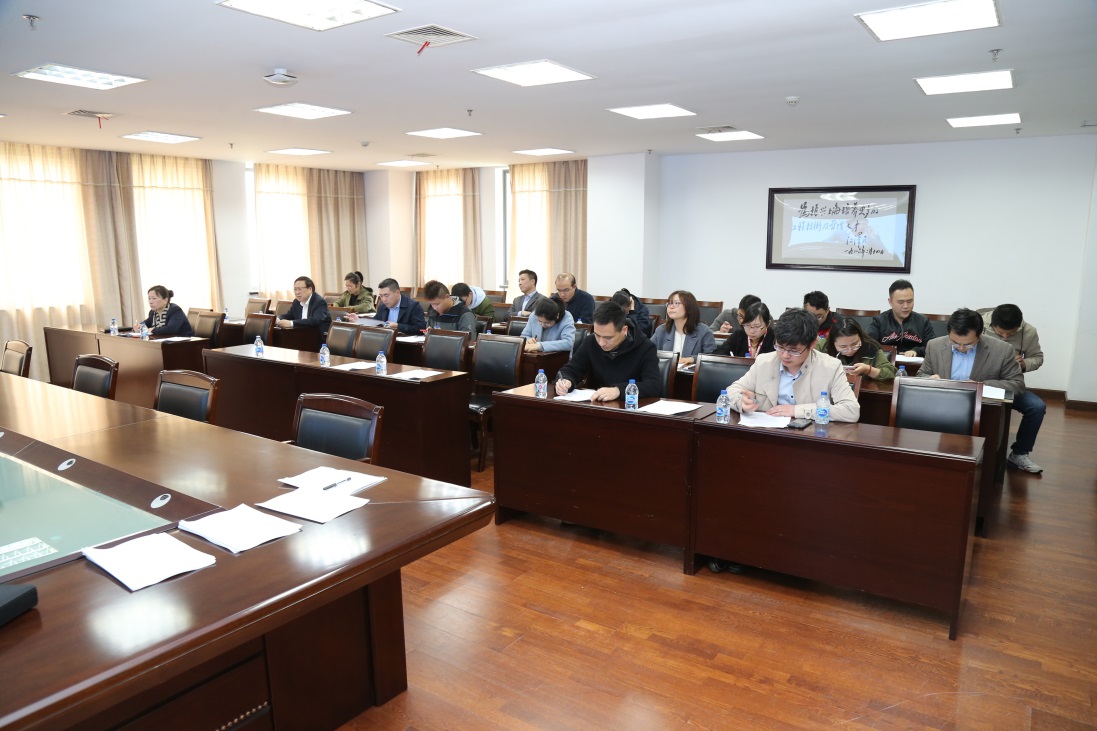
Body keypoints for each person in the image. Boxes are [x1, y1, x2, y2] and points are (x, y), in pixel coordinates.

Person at [918, 307, 1039, 472]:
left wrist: (980, 386)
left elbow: (1017, 384)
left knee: (973, 463)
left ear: (980, 334)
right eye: (955, 343)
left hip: (981, 412)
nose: (961, 348)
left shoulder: (1002, 350)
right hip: (942, 410)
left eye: (968, 344)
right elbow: (922, 374)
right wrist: (930, 380)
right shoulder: (935, 345)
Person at [726, 308, 860, 422]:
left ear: (812, 344)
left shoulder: (831, 367)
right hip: (767, 434)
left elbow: (851, 410)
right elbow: (731, 391)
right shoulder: (764, 362)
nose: (785, 355)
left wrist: (797, 411)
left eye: (793, 350)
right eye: (780, 347)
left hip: (809, 438)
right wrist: (741, 401)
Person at [978, 304, 1046, 474]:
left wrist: (1024, 363)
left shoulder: (1029, 332)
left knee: (1037, 407)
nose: (1006, 337)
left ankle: (1019, 453)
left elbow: (1037, 358)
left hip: (1009, 384)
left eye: (1011, 334)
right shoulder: (977, 323)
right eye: (1001, 333)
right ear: (992, 324)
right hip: (980, 381)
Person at [555, 301, 660, 402]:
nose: (601, 343)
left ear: (624, 330)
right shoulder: (591, 342)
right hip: (595, 405)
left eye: (608, 338)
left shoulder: (645, 348)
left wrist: (618, 390)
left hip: (629, 407)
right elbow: (571, 369)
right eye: (597, 335)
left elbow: (653, 385)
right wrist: (566, 380)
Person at [867, 279, 936, 357]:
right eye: (900, 302)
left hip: (915, 363)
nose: (906, 306)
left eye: (909, 301)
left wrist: (916, 351)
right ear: (890, 301)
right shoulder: (879, 321)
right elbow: (869, 344)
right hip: (886, 362)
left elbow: (932, 347)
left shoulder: (923, 321)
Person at [648, 290, 717, 367]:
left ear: (689, 309)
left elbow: (711, 357)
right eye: (669, 303)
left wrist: (692, 359)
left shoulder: (704, 331)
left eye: (676, 303)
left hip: (691, 374)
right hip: (666, 373)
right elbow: (648, 351)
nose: (671, 307)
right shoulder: (662, 330)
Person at [819, 317, 896, 380]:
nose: (850, 350)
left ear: (860, 337)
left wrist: (868, 370)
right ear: (833, 342)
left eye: (854, 344)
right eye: (843, 347)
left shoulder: (871, 347)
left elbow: (891, 372)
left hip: (862, 390)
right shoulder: (823, 346)